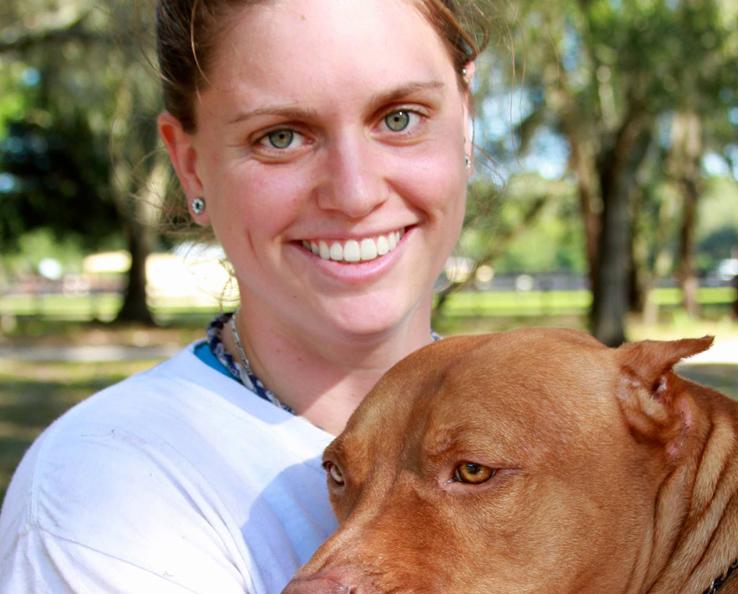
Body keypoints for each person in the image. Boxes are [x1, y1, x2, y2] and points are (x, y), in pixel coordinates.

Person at [0, 0, 485, 591]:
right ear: (191, 164)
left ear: (466, 116)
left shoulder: (575, 429)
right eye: (280, 136)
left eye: (400, 118)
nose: (354, 193)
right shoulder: (106, 490)